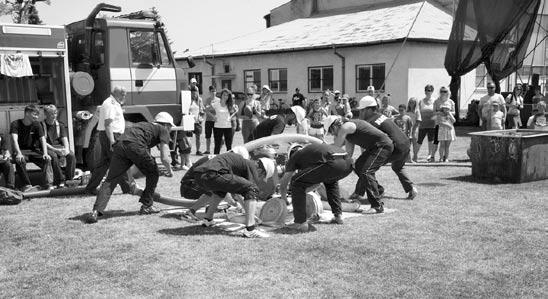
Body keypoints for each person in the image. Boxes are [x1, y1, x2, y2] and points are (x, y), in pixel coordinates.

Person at [87, 112, 175, 223]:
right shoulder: (163, 129)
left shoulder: (145, 125)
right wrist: (169, 170)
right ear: (166, 125)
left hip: (120, 145)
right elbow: (165, 157)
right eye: (171, 127)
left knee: (110, 180)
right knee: (153, 173)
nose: (170, 129)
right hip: (135, 146)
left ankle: (96, 211)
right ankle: (147, 206)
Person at [192, 152, 276, 238]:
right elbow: (249, 192)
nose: (259, 178)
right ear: (261, 171)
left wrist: (245, 209)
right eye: (262, 176)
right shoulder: (251, 166)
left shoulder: (243, 164)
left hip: (200, 175)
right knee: (253, 189)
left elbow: (235, 190)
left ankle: (208, 219)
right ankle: (250, 229)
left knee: (221, 190)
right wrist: (250, 215)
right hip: (213, 174)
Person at [324, 115, 392, 214]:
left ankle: (377, 206)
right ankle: (379, 190)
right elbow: (348, 153)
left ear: (334, 126)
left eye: (331, 132)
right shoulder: (347, 131)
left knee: (366, 171)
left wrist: (321, 148)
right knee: (358, 166)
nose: (332, 135)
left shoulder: (345, 127)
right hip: (374, 147)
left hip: (382, 145)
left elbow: (336, 146)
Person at [279, 143, 353, 232]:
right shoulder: (312, 153)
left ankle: (300, 223)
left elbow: (284, 183)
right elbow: (318, 182)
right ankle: (338, 216)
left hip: (332, 162)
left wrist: (284, 198)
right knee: (331, 182)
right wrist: (300, 194)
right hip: (348, 163)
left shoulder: (295, 156)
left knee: (296, 181)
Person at [357, 97, 418, 200]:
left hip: (395, 147)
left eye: (362, 110)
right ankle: (411, 188)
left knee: (366, 167)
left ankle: (372, 191)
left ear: (368, 109)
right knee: (397, 167)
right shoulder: (381, 116)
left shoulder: (371, 123)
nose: (360, 113)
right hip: (405, 143)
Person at [85, 86, 134, 195]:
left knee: (104, 164)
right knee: (121, 161)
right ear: (117, 93)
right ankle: (128, 187)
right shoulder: (110, 103)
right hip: (112, 135)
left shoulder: (113, 103)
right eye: (123, 94)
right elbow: (108, 124)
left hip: (110, 135)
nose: (124, 96)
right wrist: (112, 141)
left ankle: (90, 188)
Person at [10, 105, 52, 191]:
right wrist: (18, 153)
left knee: (47, 159)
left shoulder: (37, 124)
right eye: (34, 114)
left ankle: (48, 184)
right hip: (21, 151)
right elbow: (14, 140)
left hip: (33, 151)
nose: (36, 117)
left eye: (37, 115)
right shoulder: (15, 124)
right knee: (20, 160)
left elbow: (42, 139)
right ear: (27, 113)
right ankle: (26, 185)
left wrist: (45, 153)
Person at [41, 105, 76, 187]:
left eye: (55, 113)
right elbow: (42, 142)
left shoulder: (60, 125)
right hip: (47, 148)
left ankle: (69, 179)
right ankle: (59, 180)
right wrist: (55, 150)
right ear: (46, 114)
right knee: (54, 157)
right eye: (51, 114)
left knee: (71, 155)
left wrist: (66, 149)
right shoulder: (41, 125)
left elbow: (64, 139)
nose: (54, 116)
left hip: (59, 147)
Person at [416, 84, 438, 162]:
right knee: (419, 141)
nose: (427, 92)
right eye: (426, 90)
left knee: (431, 140)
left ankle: (429, 155)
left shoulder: (435, 101)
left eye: (429, 90)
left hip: (432, 124)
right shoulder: (421, 101)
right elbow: (418, 111)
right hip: (423, 124)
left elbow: (437, 112)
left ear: (432, 91)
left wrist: (434, 120)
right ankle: (415, 156)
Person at [202, 86, 219, 154]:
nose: (214, 93)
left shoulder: (218, 100)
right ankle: (208, 150)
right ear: (209, 92)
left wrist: (209, 108)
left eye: (215, 91)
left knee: (216, 136)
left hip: (216, 121)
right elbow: (205, 109)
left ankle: (216, 150)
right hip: (208, 121)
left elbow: (217, 109)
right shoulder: (207, 100)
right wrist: (210, 108)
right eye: (212, 91)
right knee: (208, 136)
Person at [190, 86, 205, 155]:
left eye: (195, 93)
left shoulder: (199, 100)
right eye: (193, 93)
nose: (194, 94)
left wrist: (201, 117)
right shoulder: (188, 100)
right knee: (189, 137)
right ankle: (188, 150)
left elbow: (202, 110)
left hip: (197, 121)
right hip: (190, 121)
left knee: (198, 137)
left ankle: (198, 150)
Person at [406, 97, 422, 162]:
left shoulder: (417, 111)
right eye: (410, 102)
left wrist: (413, 129)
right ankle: (408, 158)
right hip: (407, 130)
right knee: (408, 144)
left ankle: (415, 157)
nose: (411, 103)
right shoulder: (407, 111)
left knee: (414, 144)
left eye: (413, 102)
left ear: (415, 103)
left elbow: (418, 121)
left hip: (414, 129)